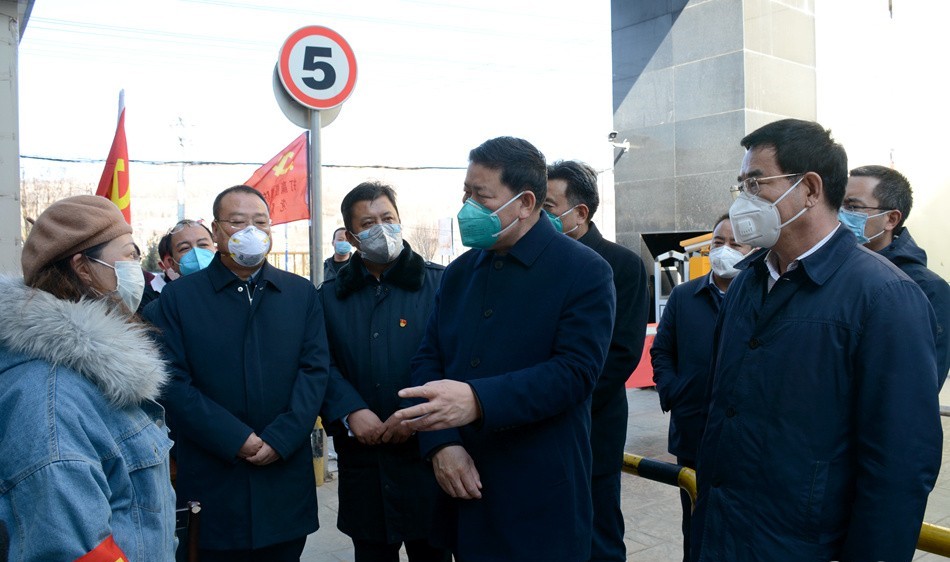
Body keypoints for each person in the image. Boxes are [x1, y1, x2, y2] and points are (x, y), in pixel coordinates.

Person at [691, 119, 942, 561]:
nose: (743, 199)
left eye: (755, 183)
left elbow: (900, 464)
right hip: (722, 536)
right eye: (741, 185)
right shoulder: (747, 283)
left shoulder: (885, 296)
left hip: (802, 545)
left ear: (809, 189)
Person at [392, 136, 616, 561]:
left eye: (481, 196)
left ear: (525, 203)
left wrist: (478, 400)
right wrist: (442, 444)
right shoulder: (460, 273)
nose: (467, 207)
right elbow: (428, 359)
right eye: (465, 193)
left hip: (538, 498)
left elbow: (575, 373)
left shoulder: (585, 271)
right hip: (463, 491)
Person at [145, 185, 331, 561]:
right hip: (213, 481)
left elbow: (314, 371)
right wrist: (236, 439)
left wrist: (280, 438)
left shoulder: (299, 293)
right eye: (237, 222)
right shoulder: (179, 299)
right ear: (216, 230)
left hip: (283, 481)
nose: (250, 231)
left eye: (260, 222)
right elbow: (172, 382)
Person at [0, 195, 175, 560]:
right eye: (128, 255)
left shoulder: (92, 374)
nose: (136, 269)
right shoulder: (49, 398)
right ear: (82, 267)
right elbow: (76, 550)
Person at [319, 181, 449, 562]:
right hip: (365, 462)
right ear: (351, 237)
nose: (381, 228)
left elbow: (456, 359)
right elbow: (320, 363)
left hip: (428, 456)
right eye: (368, 223)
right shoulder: (329, 297)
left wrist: (418, 414)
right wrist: (350, 410)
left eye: (387, 218)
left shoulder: (440, 283)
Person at [544, 159, 650, 562]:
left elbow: (621, 354)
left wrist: (556, 397)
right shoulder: (541, 263)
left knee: (598, 534)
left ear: (580, 213)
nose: (538, 216)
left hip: (593, 424)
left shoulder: (621, 264)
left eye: (548, 207)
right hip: (538, 426)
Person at [650, 214, 752, 562]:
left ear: (754, 250)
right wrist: (673, 392)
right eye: (718, 242)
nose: (725, 250)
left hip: (744, 438)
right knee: (695, 525)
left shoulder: (760, 297)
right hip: (693, 430)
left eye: (736, 243)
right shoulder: (684, 296)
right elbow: (662, 351)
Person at [841, 165, 950, 387]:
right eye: (838, 205)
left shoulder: (927, 288)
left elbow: (920, 385)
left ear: (891, 219)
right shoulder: (829, 271)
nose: (840, 215)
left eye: (853, 207)